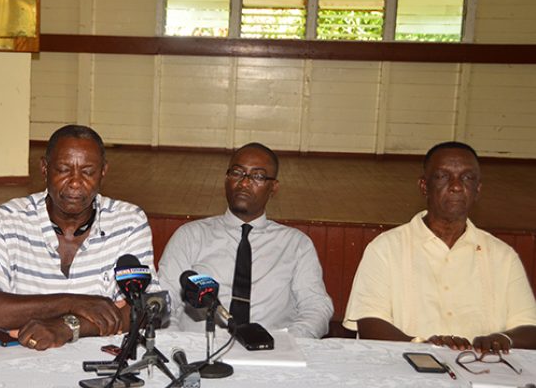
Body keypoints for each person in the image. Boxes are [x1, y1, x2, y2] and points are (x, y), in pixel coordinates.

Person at [0, 125, 159, 350]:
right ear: (44, 169)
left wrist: (68, 326)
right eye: (63, 169)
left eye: (88, 171)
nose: (75, 182)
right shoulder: (8, 220)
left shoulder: (128, 221)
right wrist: (71, 302)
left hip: (99, 360)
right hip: (19, 360)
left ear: (103, 171)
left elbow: (148, 307)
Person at [343, 141, 536, 352]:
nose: (456, 186)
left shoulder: (502, 256)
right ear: (424, 186)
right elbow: (370, 322)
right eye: (443, 176)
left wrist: (501, 339)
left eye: (467, 178)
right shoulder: (385, 248)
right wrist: (423, 348)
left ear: (477, 190)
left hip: (483, 371)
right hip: (409, 369)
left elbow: (529, 327)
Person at [159, 143, 333, 338]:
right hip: (200, 352)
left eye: (258, 176)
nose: (244, 183)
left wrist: (287, 344)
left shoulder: (296, 244)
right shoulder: (190, 236)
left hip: (271, 353)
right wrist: (177, 347)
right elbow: (164, 302)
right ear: (226, 179)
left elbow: (316, 306)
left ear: (273, 187)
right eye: (237, 173)